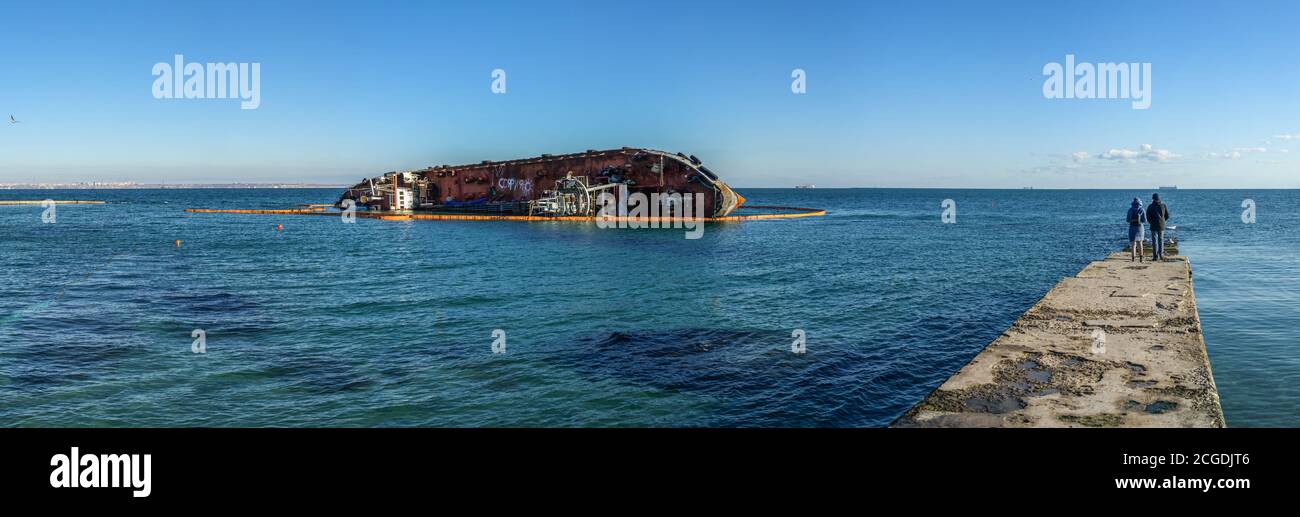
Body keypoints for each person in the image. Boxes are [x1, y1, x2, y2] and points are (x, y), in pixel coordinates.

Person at [1146, 193, 1171, 261]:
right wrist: (1163, 220)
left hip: (1153, 225)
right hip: (1161, 225)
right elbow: (1167, 216)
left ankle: (1155, 257)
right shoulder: (1163, 205)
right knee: (1161, 240)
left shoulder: (1150, 206)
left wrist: (1151, 222)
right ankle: (1161, 255)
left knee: (1154, 241)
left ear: (1153, 199)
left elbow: (1148, 217)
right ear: (1159, 198)